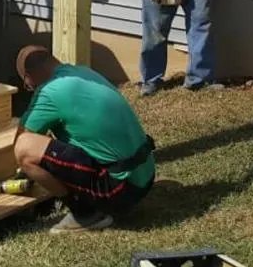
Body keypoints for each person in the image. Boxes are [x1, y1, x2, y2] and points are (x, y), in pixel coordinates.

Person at [12, 45, 155, 234]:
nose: (29, 88)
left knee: (25, 148)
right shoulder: (83, 72)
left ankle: (85, 214)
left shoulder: (48, 92)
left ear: (29, 76)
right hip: (144, 175)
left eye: (27, 84)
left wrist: (26, 171)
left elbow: (22, 138)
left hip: (120, 190)